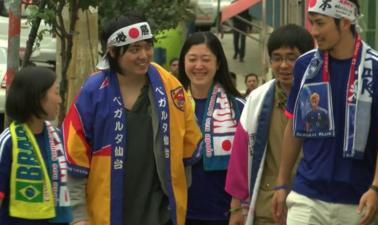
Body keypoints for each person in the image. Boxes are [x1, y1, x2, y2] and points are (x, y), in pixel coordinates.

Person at [62, 13, 202, 225]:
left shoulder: (169, 85)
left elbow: (188, 145)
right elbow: (75, 153)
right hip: (107, 208)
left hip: (159, 209)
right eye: (134, 49)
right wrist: (79, 215)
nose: (144, 55)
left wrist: (179, 193)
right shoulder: (93, 91)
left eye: (147, 47)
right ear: (113, 52)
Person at [272, 1, 378, 225]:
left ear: (345, 22)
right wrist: (282, 183)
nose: (313, 31)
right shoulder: (306, 65)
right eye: (312, 23)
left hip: (356, 200)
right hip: (306, 197)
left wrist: (375, 188)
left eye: (320, 23)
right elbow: (295, 128)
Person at [225, 24, 314, 225]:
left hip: (310, 207)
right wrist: (236, 208)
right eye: (277, 58)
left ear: (308, 59)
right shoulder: (258, 99)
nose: (284, 65)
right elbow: (240, 157)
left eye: (292, 58)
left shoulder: (320, 99)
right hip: (267, 208)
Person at [178, 31, 245, 225]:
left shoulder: (238, 107)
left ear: (218, 64)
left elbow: (245, 162)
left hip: (225, 213)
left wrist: (237, 207)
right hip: (179, 213)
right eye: (192, 59)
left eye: (206, 59)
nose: (199, 66)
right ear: (184, 62)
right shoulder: (170, 105)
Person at [0, 66, 72, 225]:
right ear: (39, 97)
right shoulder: (9, 141)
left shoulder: (57, 138)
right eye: (56, 93)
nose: (60, 100)